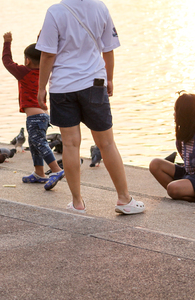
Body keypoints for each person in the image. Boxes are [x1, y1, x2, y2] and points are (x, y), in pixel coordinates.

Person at [36, 0, 145, 214]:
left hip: (62, 86)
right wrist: (110, 79)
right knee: (106, 143)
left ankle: (77, 203)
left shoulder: (55, 12)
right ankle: (124, 199)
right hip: (93, 83)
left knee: (70, 145)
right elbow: (109, 49)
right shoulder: (100, 8)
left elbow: (48, 54)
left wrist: (41, 88)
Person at [2, 32, 64, 190]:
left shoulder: (24, 71)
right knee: (34, 143)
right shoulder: (45, 71)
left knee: (39, 143)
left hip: (35, 117)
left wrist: (7, 42)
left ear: (27, 60)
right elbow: (46, 55)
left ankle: (56, 170)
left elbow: (7, 62)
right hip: (43, 116)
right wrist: (42, 40)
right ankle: (39, 173)